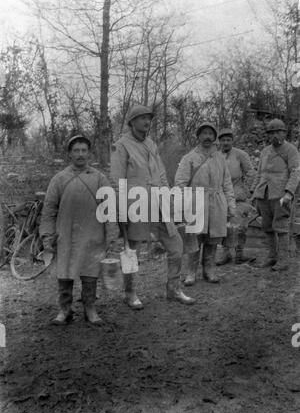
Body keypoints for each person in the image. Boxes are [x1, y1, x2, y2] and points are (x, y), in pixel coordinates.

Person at [110, 104, 195, 309]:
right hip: (135, 204)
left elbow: (162, 174)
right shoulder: (121, 145)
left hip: (158, 202)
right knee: (133, 251)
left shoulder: (151, 144)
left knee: (176, 245)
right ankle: (130, 293)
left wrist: (168, 198)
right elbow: (116, 180)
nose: (147, 122)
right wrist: (122, 209)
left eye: (149, 118)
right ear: (132, 122)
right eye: (142, 118)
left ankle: (173, 289)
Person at [40, 134, 110, 325]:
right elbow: (49, 211)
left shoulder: (100, 179)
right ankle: (65, 310)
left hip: (92, 235)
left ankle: (90, 309)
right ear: (69, 154)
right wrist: (47, 236)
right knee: (64, 271)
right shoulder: (59, 179)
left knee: (90, 271)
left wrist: (111, 236)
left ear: (89, 153)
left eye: (84, 150)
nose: (80, 154)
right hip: (66, 234)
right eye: (76, 150)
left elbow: (109, 210)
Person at [174, 122, 236, 285]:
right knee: (195, 238)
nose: (207, 137)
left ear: (215, 137)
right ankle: (191, 272)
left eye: (210, 133)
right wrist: (181, 207)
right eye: (204, 133)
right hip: (196, 201)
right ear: (198, 136)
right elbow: (180, 184)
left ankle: (209, 269)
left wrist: (231, 206)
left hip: (217, 201)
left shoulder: (220, 158)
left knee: (213, 238)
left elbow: (227, 183)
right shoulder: (189, 158)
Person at [251, 119, 300, 271]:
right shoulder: (265, 151)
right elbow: (259, 173)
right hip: (263, 194)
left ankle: (283, 261)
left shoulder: (291, 150)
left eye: (278, 131)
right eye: (271, 132)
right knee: (267, 227)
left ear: (284, 133)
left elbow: (296, 172)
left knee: (281, 227)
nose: (274, 135)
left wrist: (288, 194)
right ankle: (272, 256)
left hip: (280, 195)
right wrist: (253, 192)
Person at [217, 128, 256, 265]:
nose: (226, 143)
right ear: (219, 141)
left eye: (228, 140)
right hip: (221, 197)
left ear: (232, 141)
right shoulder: (215, 156)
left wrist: (247, 191)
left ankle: (239, 254)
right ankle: (226, 254)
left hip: (238, 196)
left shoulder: (240, 155)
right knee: (223, 226)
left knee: (239, 226)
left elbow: (251, 173)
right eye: (223, 140)